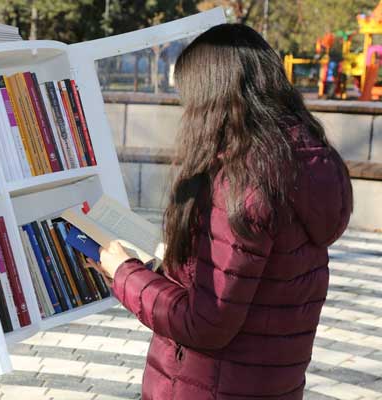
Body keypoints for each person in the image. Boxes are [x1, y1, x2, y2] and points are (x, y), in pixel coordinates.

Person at [87, 23, 353, 400]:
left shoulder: (242, 183)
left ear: (214, 100)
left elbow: (207, 325)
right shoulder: (309, 163)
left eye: (190, 100)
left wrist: (124, 273)